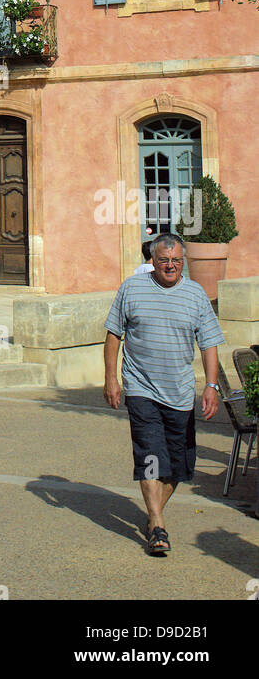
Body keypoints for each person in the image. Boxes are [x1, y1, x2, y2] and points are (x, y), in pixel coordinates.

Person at [103, 231, 224, 556]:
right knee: (150, 455)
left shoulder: (196, 295)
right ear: (152, 262)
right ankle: (157, 524)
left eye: (176, 260)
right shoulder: (132, 288)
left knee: (179, 466)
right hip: (141, 388)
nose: (170, 266)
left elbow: (209, 344)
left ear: (182, 261)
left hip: (180, 393)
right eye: (163, 260)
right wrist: (111, 379)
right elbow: (114, 334)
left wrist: (211, 386)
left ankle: (152, 512)